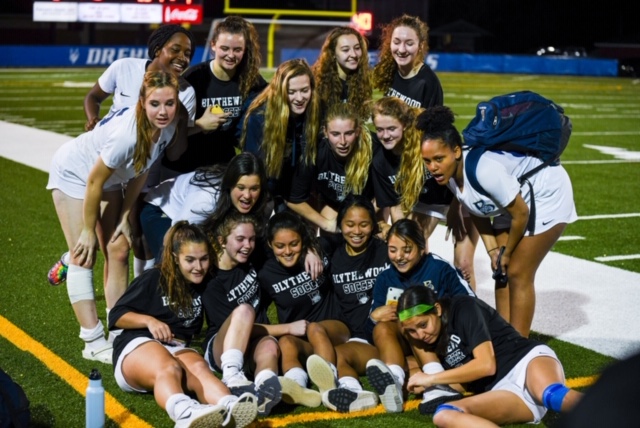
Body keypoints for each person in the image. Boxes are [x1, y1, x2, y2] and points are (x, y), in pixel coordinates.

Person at [46, 70, 183, 364]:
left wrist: (124, 216)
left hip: (107, 178)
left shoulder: (168, 127)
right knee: (84, 254)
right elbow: (93, 181)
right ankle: (92, 340)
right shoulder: (126, 135)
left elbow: (141, 169)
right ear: (142, 102)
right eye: (155, 104)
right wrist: (87, 231)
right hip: (74, 172)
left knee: (119, 248)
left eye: (169, 103)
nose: (163, 111)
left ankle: (118, 328)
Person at [47, 24, 197, 287]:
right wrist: (93, 119)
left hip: (143, 167)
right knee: (98, 240)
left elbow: (175, 151)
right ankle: (74, 258)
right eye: (176, 49)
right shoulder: (125, 67)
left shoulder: (185, 93)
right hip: (107, 161)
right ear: (158, 49)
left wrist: (183, 120)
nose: (183, 58)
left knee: (127, 240)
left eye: (188, 54)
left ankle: (135, 296)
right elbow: (93, 96)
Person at [418, 106, 577, 337]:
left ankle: (519, 345)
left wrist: (507, 252)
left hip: (544, 192)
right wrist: (493, 251)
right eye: (427, 161)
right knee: (500, 270)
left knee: (517, 272)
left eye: (438, 159)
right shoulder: (449, 173)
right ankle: (504, 336)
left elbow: (520, 214)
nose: (432, 167)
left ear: (456, 151)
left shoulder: (483, 171)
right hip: (512, 195)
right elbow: (475, 207)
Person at [108, 221, 258, 428]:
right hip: (137, 345)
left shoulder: (206, 282)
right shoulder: (154, 277)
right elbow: (116, 316)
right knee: (168, 367)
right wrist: (149, 321)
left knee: (200, 368)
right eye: (190, 260)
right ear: (175, 258)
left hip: (176, 346)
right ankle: (184, 413)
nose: (198, 267)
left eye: (204, 259)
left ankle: (230, 406)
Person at [395, 286, 582, 426]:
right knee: (444, 415)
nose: (420, 335)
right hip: (502, 390)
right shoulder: (427, 341)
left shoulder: (463, 307)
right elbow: (463, 380)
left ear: (437, 309)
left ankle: (601, 413)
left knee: (551, 395)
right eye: (411, 331)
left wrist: (431, 378)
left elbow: (486, 365)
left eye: (423, 325)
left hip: (525, 360)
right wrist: (424, 383)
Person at [366, 218, 474, 413]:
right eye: (392, 250)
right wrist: (374, 317)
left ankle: (436, 382)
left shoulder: (440, 268)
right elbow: (373, 332)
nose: (399, 256)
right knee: (383, 328)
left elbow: (470, 305)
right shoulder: (384, 278)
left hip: (444, 341)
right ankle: (395, 381)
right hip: (408, 349)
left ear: (422, 247)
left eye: (407, 250)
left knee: (414, 318)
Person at [371, 97, 478, 287]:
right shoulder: (381, 162)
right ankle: (422, 299)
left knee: (463, 266)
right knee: (412, 251)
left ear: (404, 125)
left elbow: (458, 171)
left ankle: (468, 304)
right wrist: (402, 237)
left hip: (460, 196)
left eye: (391, 128)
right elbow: (396, 207)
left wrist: (455, 209)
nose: (385, 135)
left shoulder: (424, 142)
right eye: (380, 129)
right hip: (428, 203)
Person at [306, 195, 389, 413]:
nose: (357, 231)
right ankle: (336, 387)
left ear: (373, 225)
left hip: (379, 333)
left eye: (364, 225)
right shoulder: (333, 250)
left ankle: (350, 389)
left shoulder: (384, 250)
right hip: (349, 330)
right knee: (315, 329)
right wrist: (310, 250)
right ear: (340, 225)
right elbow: (306, 240)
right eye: (350, 224)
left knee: (340, 354)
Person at [257, 211, 344, 407]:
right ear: (270, 244)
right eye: (280, 246)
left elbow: (350, 237)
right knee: (286, 341)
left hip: (335, 328)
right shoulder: (266, 274)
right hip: (302, 338)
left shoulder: (321, 248)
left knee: (314, 328)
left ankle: (329, 386)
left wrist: (313, 248)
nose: (287, 251)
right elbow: (256, 317)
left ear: (303, 240)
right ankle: (296, 386)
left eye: (294, 244)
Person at [201, 212, 282, 417]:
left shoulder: (250, 259)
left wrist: (311, 251)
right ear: (222, 241)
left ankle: (263, 394)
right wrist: (289, 328)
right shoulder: (212, 281)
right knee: (245, 310)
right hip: (222, 348)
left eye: (251, 239)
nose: (247, 245)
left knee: (270, 346)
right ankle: (232, 379)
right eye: (240, 239)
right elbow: (237, 329)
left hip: (254, 342)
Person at [163, 16, 267, 173]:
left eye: (237, 50)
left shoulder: (251, 79)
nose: (231, 55)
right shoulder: (193, 79)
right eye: (224, 48)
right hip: (184, 169)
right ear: (213, 45)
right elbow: (169, 131)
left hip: (223, 168)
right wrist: (199, 125)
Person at [140, 152, 268, 260]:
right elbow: (173, 237)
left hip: (201, 217)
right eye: (241, 187)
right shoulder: (206, 200)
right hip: (160, 209)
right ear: (230, 185)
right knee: (180, 259)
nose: (247, 195)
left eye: (254, 188)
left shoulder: (263, 201)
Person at [241, 58, 321, 212]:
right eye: (291, 92)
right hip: (270, 193)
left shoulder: (316, 110)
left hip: (301, 191)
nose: (299, 98)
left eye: (305, 90)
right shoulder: (260, 118)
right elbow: (254, 170)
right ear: (280, 91)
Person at [287, 103, 374, 233]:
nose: (343, 141)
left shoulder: (373, 149)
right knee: (328, 229)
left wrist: (366, 218)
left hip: (367, 205)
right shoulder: (315, 151)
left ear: (358, 131)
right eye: (335, 134)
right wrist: (326, 224)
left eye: (349, 133)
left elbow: (387, 194)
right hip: (332, 204)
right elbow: (293, 198)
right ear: (325, 132)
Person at [372, 14, 443, 109]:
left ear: (420, 46)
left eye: (409, 44)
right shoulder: (390, 69)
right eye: (396, 42)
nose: (402, 50)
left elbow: (435, 118)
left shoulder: (429, 83)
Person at [312, 26, 373, 121]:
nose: (354, 54)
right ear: (333, 53)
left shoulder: (364, 80)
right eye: (345, 50)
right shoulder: (317, 83)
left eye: (357, 48)